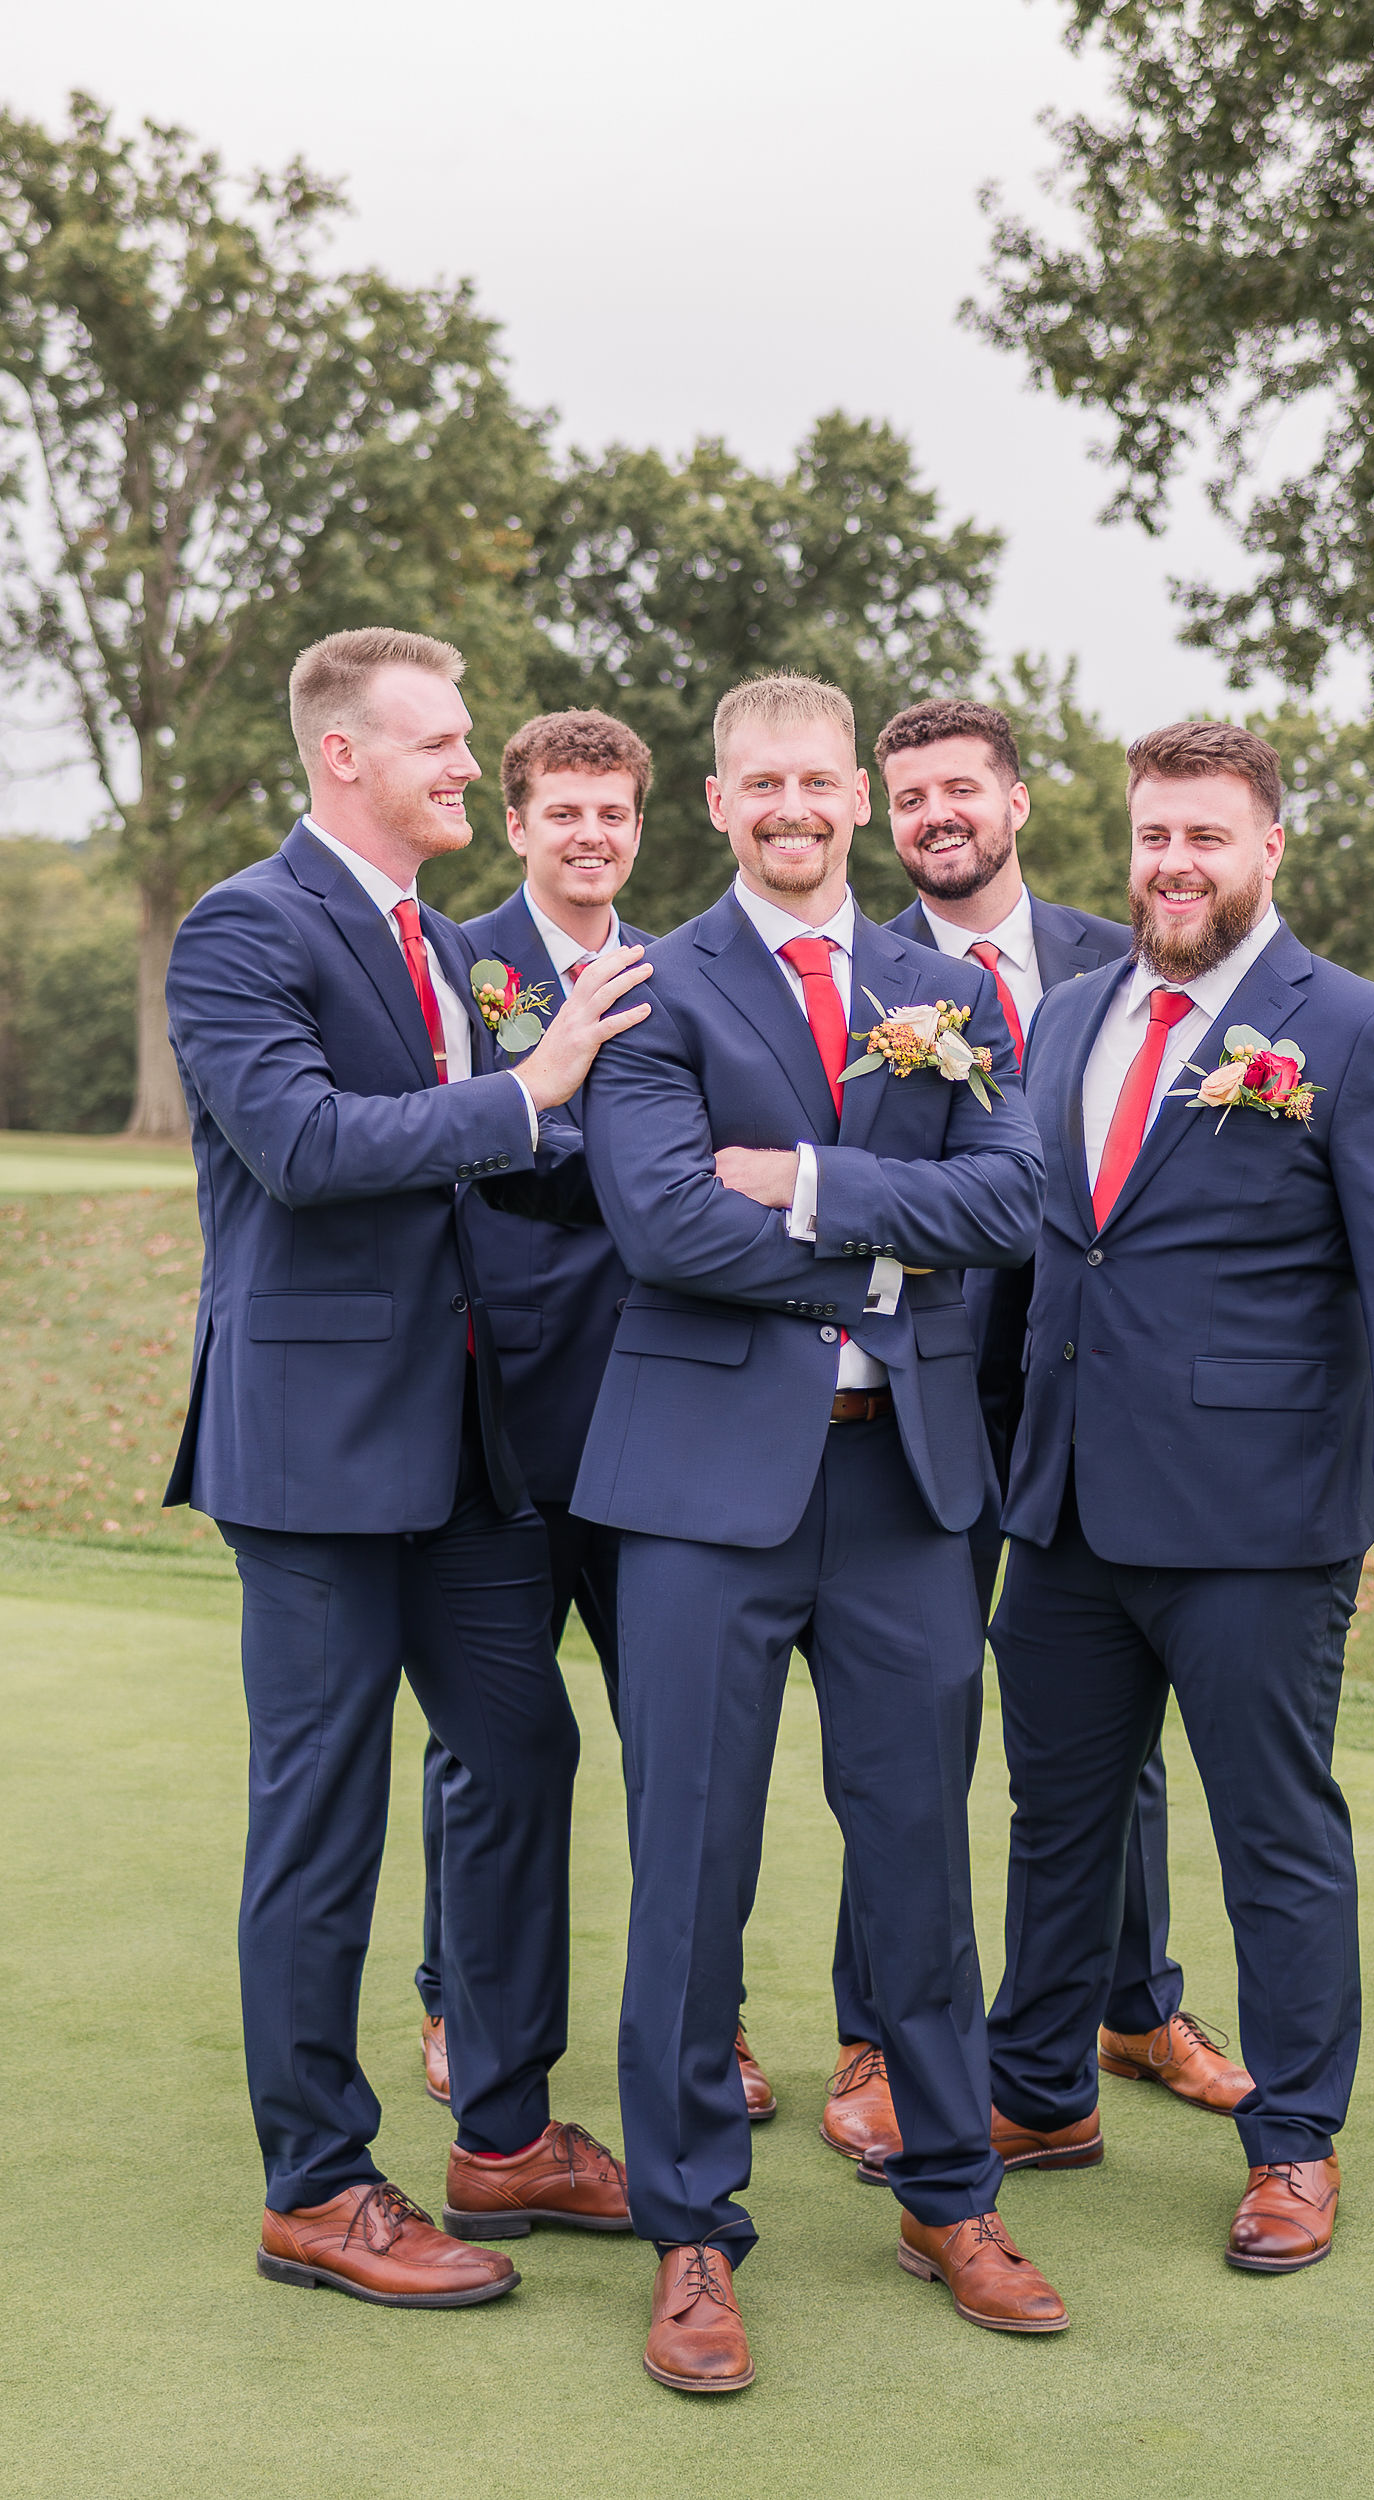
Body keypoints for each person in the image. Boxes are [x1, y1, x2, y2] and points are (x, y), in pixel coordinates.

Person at [571, 671, 1067, 2392]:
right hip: (703, 1493)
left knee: (921, 1855)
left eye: (817, 780)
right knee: (689, 1869)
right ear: (718, 803)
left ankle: (950, 2191)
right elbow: (652, 1222)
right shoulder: (653, 982)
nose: (792, 806)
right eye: (758, 782)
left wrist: (794, 1181)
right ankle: (692, 2234)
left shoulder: (944, 989)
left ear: (860, 795)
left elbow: (1015, 1201)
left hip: (907, 1485)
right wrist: (882, 1242)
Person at [164, 629, 650, 2305]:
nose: (467, 765)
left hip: (465, 1452)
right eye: (439, 744)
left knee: (520, 1749)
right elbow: (302, 1149)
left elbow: (518, 1163)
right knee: (319, 1819)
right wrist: (532, 1091)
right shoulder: (244, 927)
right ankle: (315, 2184)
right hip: (308, 1460)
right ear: (339, 759)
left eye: (464, 742)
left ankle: (502, 2132)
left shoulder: (444, 944)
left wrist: (738, 1179)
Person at [982, 718, 1374, 2272]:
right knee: (1057, 1823)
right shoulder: (1067, 1019)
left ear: (1269, 848)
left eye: (1205, 835)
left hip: (1260, 1522)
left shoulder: (1357, 1031)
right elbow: (1044, 1243)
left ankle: (1291, 2144)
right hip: (1061, 1509)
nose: (1174, 863)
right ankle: (1042, 2090)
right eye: (1151, 836)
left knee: (1275, 1834)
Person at [820, 697, 1248, 2182]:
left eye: (962, 789)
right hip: (917, 1398)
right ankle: (878, 2029)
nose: (937, 812)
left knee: (1104, 1738)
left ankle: (1133, 2008)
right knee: (912, 1725)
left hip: (1090, 1401)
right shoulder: (851, 974)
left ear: (1014, 801)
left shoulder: (1118, 957)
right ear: (888, 814)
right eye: (911, 793)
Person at [412, 708, 772, 2121]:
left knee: (691, 1750)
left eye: (612, 814)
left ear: (642, 824)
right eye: (563, 811)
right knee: (491, 1750)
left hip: (669, 1420)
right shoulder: (461, 964)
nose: (590, 835)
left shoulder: (680, 975)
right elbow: (493, 1153)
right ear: (517, 822)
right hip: (504, 1415)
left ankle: (710, 2022)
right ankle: (462, 2000)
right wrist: (652, 1164)